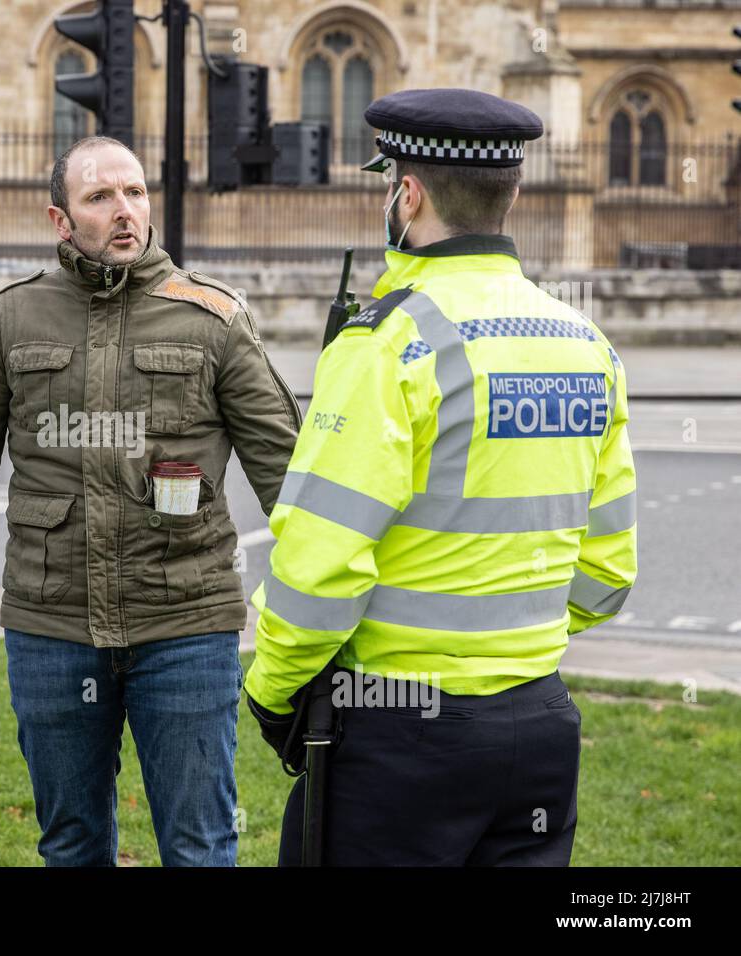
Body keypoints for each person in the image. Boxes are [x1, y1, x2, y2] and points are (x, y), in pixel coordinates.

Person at [244, 89, 638, 866]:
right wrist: (509, 651)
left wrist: (270, 689)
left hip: (400, 732)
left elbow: (319, 569)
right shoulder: (587, 345)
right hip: (539, 726)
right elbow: (606, 574)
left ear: (408, 192)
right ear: (512, 194)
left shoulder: (387, 345)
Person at [0, 135, 302, 866]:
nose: (126, 211)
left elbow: (292, 484)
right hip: (51, 630)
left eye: (136, 193)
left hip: (186, 628)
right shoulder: (12, 321)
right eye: (101, 196)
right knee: (71, 845)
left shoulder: (213, 318)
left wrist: (328, 620)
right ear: (61, 219)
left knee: (200, 846)